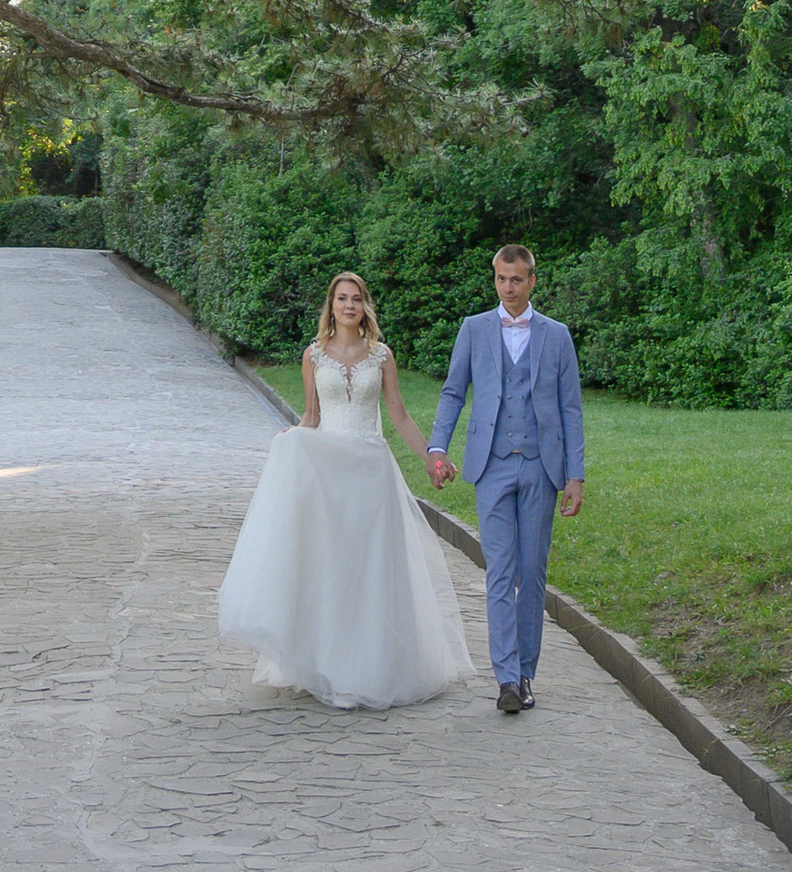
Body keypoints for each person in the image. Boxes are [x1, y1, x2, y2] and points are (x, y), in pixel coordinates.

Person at [217, 271, 474, 710]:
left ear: (365, 306)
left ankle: (373, 665)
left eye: (356, 299)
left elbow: (400, 416)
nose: (349, 305)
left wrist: (432, 456)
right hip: (329, 476)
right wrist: (291, 437)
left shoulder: (382, 356)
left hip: (371, 472)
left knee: (371, 568)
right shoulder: (314, 355)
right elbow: (312, 416)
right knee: (331, 568)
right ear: (331, 307)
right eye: (342, 299)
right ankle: (327, 663)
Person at [424, 242, 584, 718]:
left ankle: (527, 671)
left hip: (540, 464)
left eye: (517, 279)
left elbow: (572, 409)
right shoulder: (473, 330)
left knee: (531, 571)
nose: (508, 288)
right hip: (490, 463)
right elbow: (454, 391)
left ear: (532, 281)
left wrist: (575, 475)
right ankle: (506, 679)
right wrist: (437, 447)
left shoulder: (556, 336)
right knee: (499, 570)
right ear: (493, 279)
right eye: (501, 279)